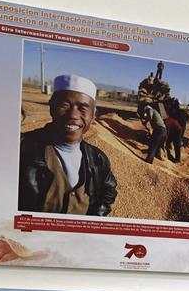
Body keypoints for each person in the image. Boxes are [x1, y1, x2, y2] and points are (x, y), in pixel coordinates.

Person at [19, 74, 117, 216]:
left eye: (83, 108)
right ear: (51, 108)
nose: (73, 115)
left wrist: (96, 218)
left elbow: (108, 190)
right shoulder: (22, 148)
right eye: (64, 105)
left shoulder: (97, 158)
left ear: (93, 116)